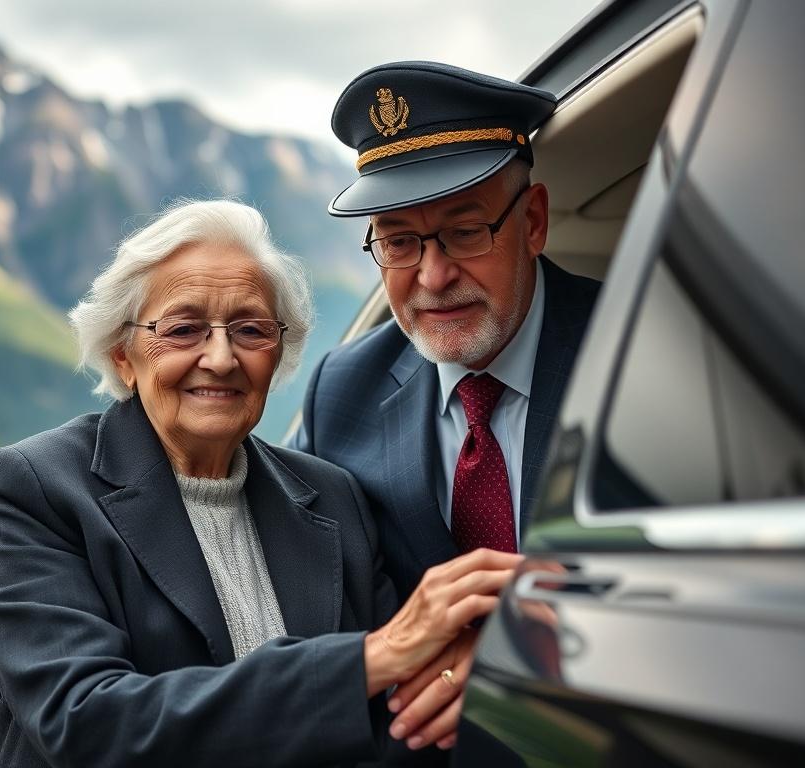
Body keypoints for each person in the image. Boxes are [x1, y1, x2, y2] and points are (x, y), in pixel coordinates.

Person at [0, 199, 519, 767]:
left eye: (251, 329)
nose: (221, 357)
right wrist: (368, 659)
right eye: (183, 329)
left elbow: (396, 719)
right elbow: (87, 724)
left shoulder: (334, 498)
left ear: (278, 352)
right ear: (123, 354)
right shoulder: (37, 486)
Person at [291, 62, 601, 751]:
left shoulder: (643, 350)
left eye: (465, 231)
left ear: (534, 222)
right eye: (399, 241)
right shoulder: (343, 390)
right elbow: (314, 607)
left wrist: (527, 655)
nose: (432, 277)